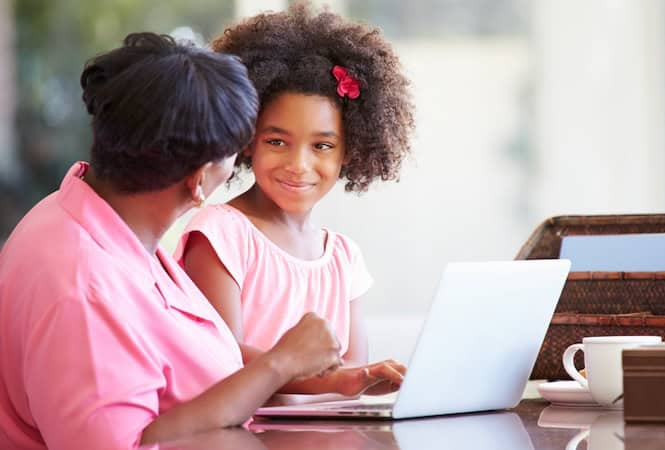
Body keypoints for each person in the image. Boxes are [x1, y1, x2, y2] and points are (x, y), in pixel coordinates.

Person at [0, 32, 400, 450]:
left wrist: (312, 373)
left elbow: (207, 359)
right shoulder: (84, 288)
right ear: (198, 181)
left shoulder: (107, 227)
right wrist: (281, 361)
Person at [175, 3, 414, 396]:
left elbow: (349, 375)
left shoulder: (343, 258)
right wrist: (339, 378)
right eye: (277, 141)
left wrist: (378, 377)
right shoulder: (220, 234)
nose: (299, 165)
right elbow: (219, 358)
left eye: (322, 145)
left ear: (350, 151)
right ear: (247, 139)